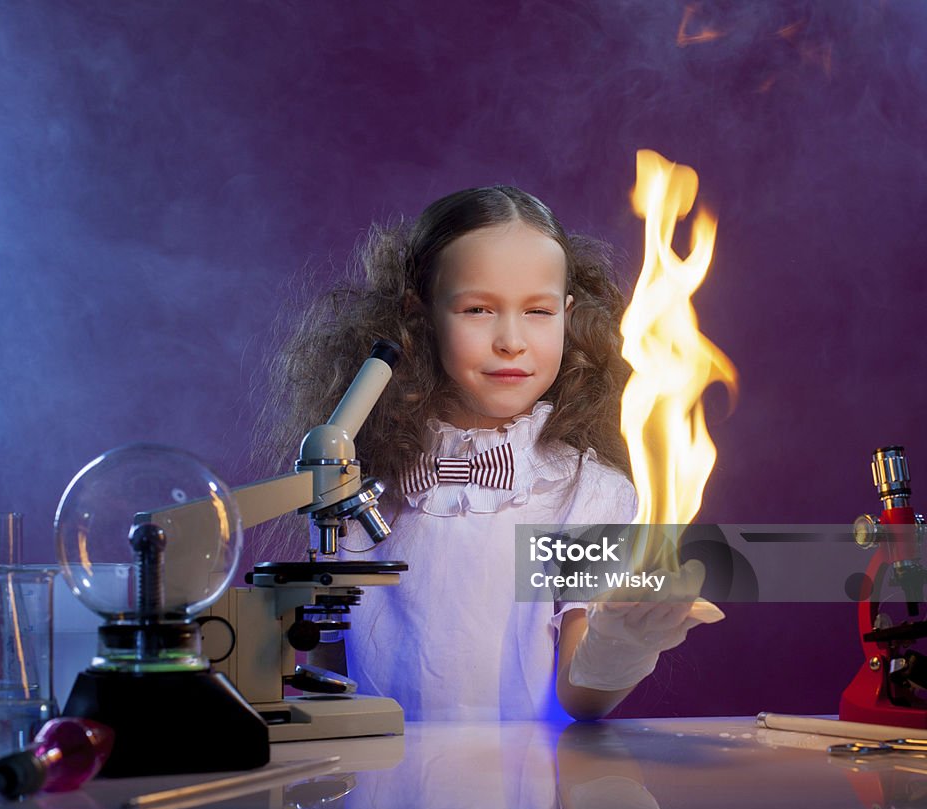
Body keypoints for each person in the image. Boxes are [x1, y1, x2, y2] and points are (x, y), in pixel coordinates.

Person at [257, 185, 723, 721]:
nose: (511, 340)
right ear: (420, 316)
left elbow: (582, 698)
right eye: (478, 309)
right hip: (379, 790)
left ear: (568, 315)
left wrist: (623, 641)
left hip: (521, 791)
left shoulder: (588, 495)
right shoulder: (357, 488)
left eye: (538, 311)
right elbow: (325, 672)